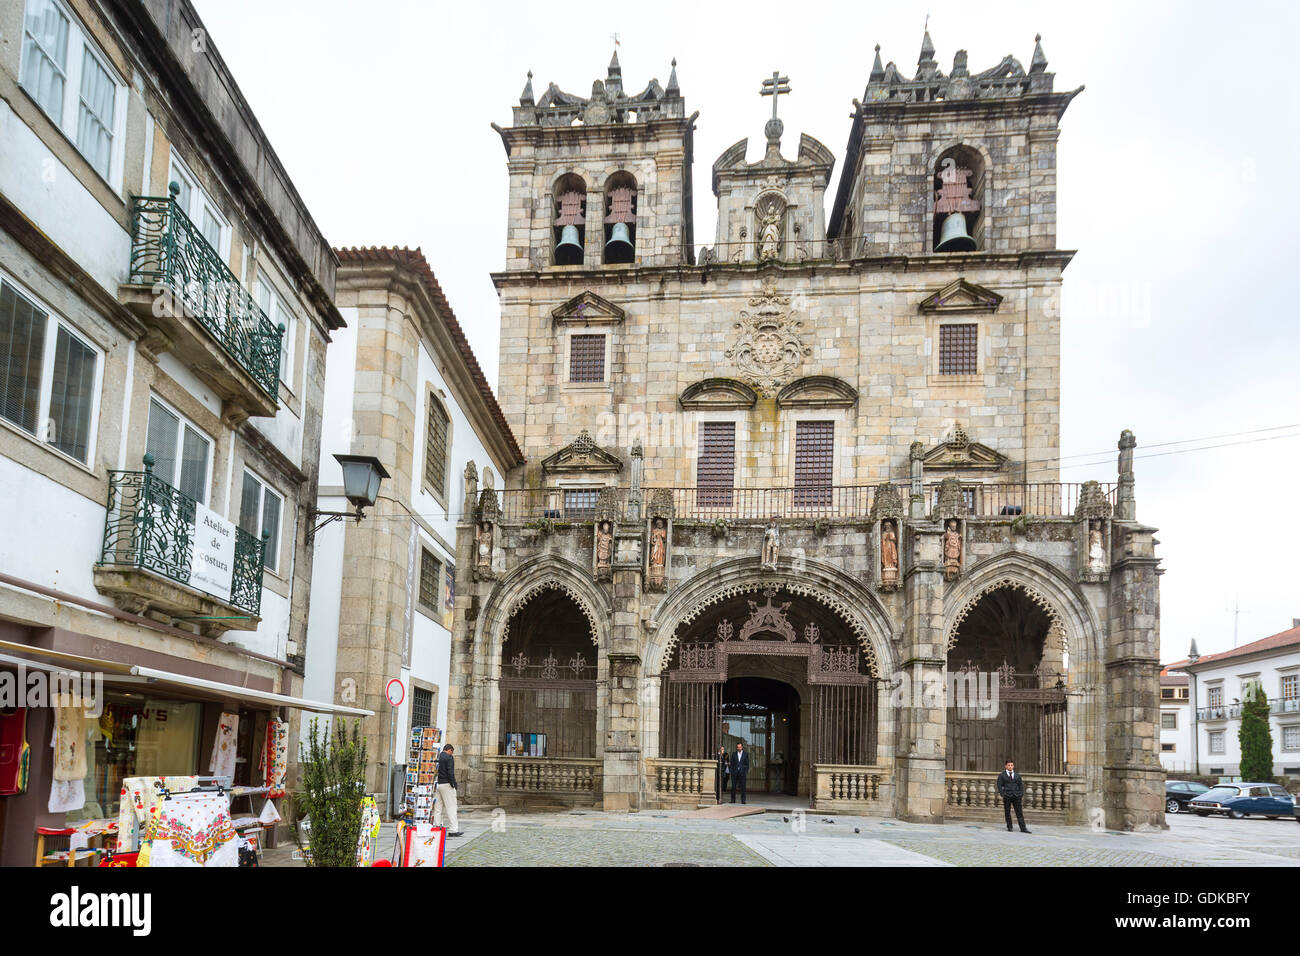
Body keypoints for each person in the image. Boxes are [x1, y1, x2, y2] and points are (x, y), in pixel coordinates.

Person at [433, 744, 464, 837]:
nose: (452, 753)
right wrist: (453, 784)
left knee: (438, 807)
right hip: (446, 784)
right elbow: (450, 772)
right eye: (452, 752)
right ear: (450, 750)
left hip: (438, 784)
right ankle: (453, 830)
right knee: (451, 807)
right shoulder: (449, 758)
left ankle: (436, 826)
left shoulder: (437, 756)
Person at [997, 759, 1030, 833]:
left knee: (1019, 812)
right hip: (1007, 796)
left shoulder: (1017, 775)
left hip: (1016, 796)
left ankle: (1023, 828)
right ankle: (1009, 827)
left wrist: (1021, 794)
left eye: (1011, 765)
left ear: (1013, 766)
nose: (1010, 766)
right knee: (1007, 812)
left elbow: (1021, 785)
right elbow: (999, 785)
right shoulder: (1002, 775)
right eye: (1008, 765)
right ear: (1006, 766)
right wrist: (1003, 794)